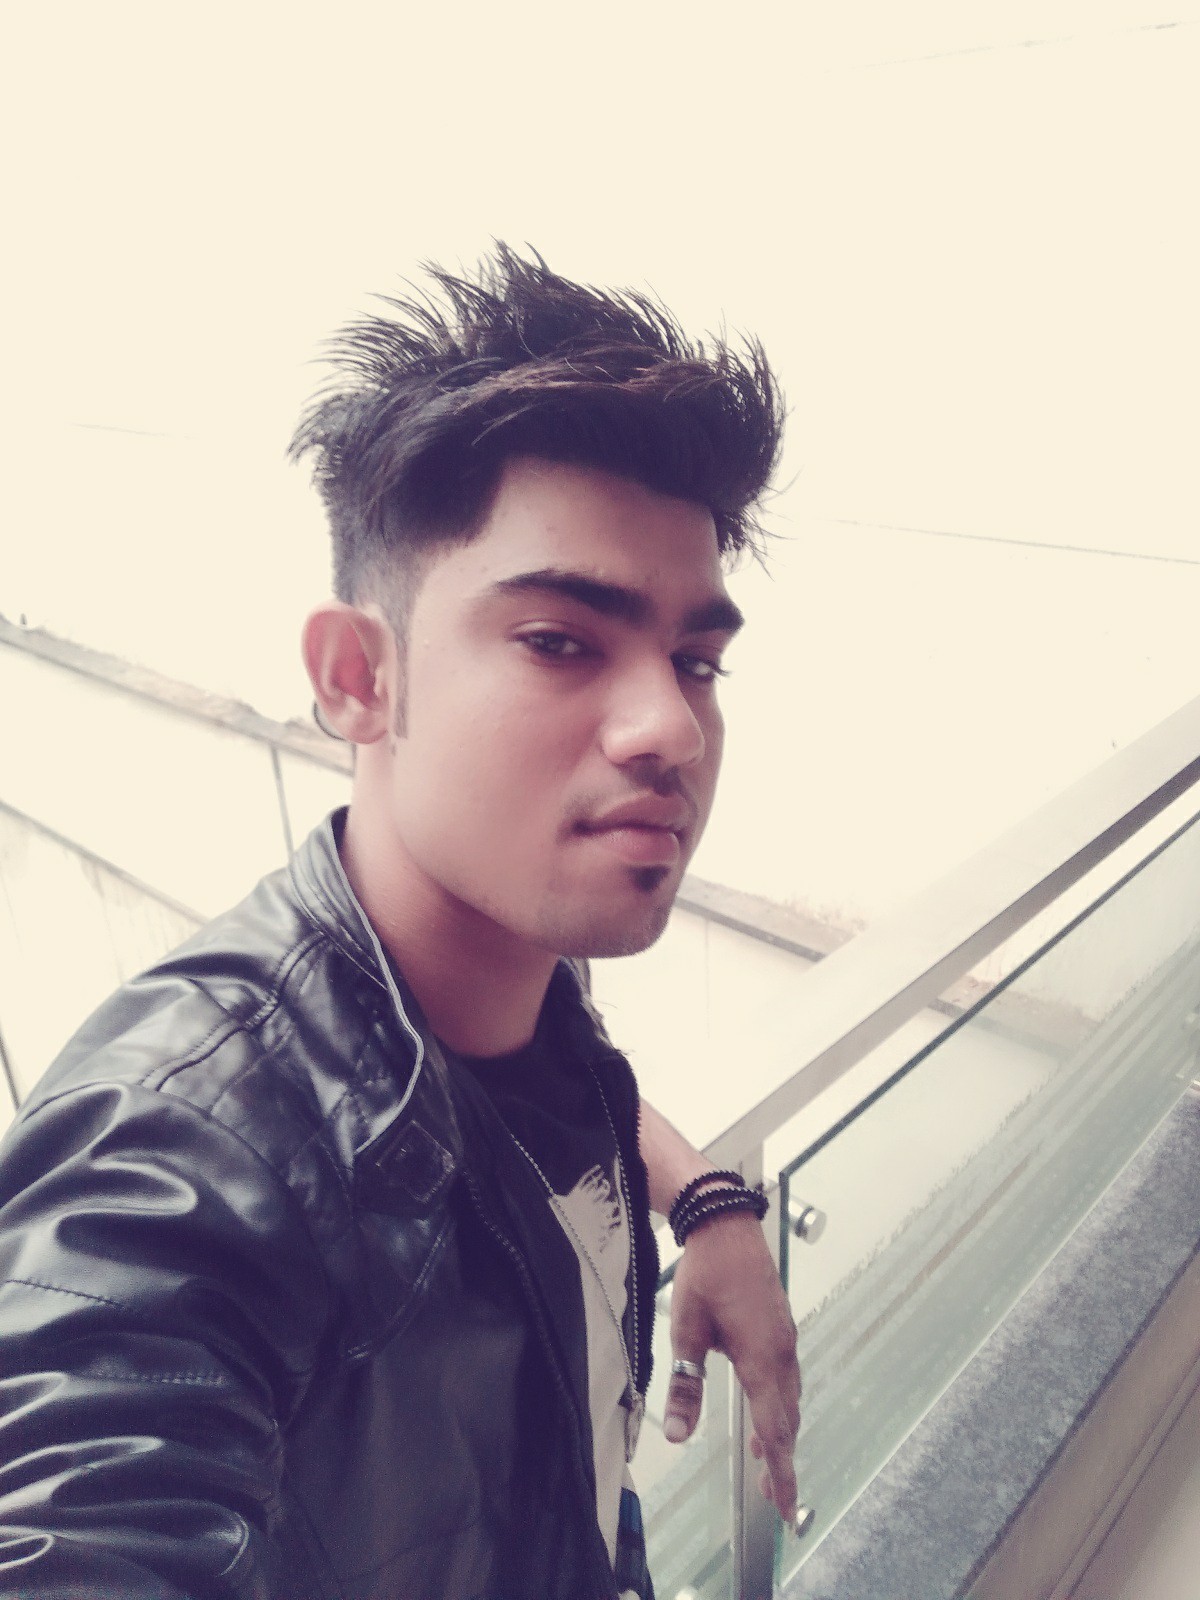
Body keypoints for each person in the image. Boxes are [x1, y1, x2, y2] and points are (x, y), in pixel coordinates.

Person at [0, 245, 800, 1599]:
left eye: (697, 660)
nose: (670, 726)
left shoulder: (505, 962)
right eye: (560, 640)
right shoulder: (174, 1145)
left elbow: (511, 1096)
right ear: (359, 677)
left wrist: (708, 1200)